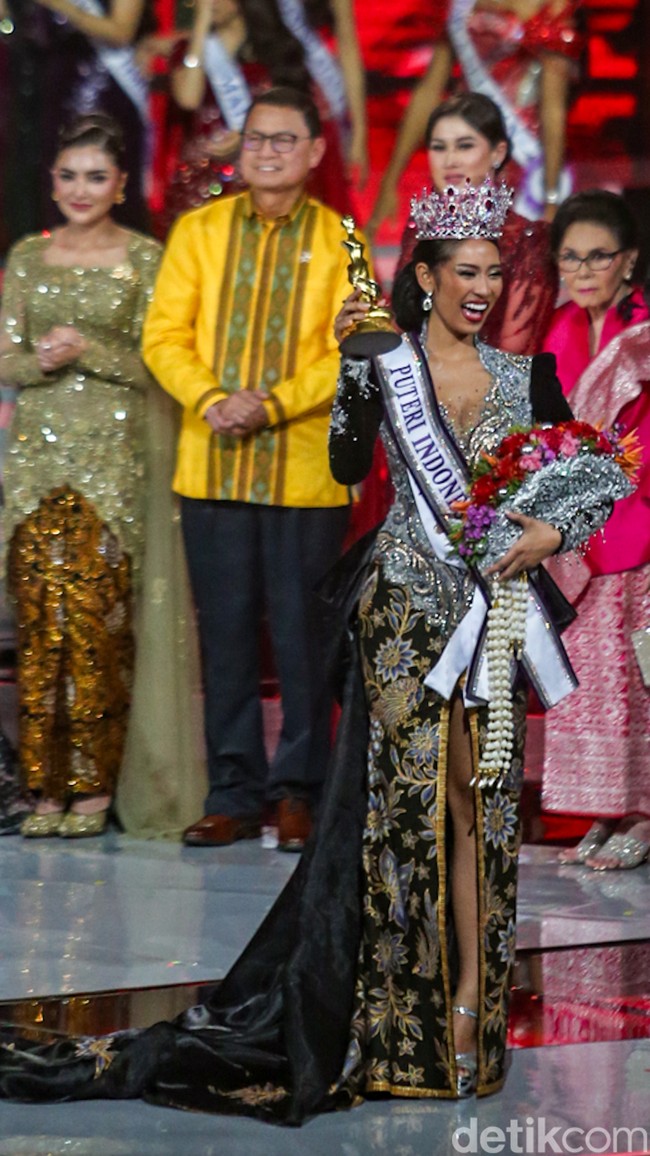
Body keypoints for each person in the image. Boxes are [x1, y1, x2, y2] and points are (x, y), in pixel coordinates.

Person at [0, 176, 621, 1116]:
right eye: (465, 270)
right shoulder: (385, 358)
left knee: (481, 812)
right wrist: (348, 377)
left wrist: (549, 532)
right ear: (424, 272)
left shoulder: (529, 376)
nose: (482, 287)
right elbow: (345, 464)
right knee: (406, 812)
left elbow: (585, 483)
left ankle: (470, 1015)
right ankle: (400, 1023)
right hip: (403, 611)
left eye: (495, 271)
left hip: (489, 619)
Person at [143, 86, 352, 852]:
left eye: (284, 139)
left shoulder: (344, 242)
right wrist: (210, 397)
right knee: (225, 637)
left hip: (303, 474)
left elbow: (355, 350)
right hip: (213, 465)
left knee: (302, 640)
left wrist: (273, 403)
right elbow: (163, 335)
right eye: (257, 139)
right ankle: (232, 791)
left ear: (315, 152)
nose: (267, 151)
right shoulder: (197, 234)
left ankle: (300, 791)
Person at [0, 112, 203, 840]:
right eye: (67, 175)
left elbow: (161, 362)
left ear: (120, 185)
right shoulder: (27, 255)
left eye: (96, 176)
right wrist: (41, 362)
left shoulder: (147, 258)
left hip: (115, 462)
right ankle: (42, 790)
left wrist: (87, 351)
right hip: (33, 465)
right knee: (39, 625)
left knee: (95, 626)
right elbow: (4, 359)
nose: (79, 189)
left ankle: (92, 790)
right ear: (50, 182)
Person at [541, 190, 650, 869]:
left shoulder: (641, 335)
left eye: (598, 257)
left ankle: (643, 814)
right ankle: (608, 811)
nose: (583, 270)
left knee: (639, 673)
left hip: (635, 527)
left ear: (630, 262)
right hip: (576, 532)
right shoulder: (557, 333)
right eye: (570, 257)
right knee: (593, 681)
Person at [368, 0, 582, 236]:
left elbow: (553, 110)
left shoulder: (551, 4)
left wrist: (551, 198)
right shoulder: (459, 4)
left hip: (520, 161)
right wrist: (391, 178)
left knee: (514, 263)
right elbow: (429, 89)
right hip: (463, 152)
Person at [158, 0, 359, 234]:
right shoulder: (189, 52)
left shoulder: (275, 54)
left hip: (263, 182)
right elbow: (188, 98)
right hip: (199, 188)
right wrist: (200, 26)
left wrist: (247, 136)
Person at [30, 0, 154, 232]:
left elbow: (121, 32)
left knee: (105, 178)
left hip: (108, 96)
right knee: (59, 181)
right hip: (58, 91)